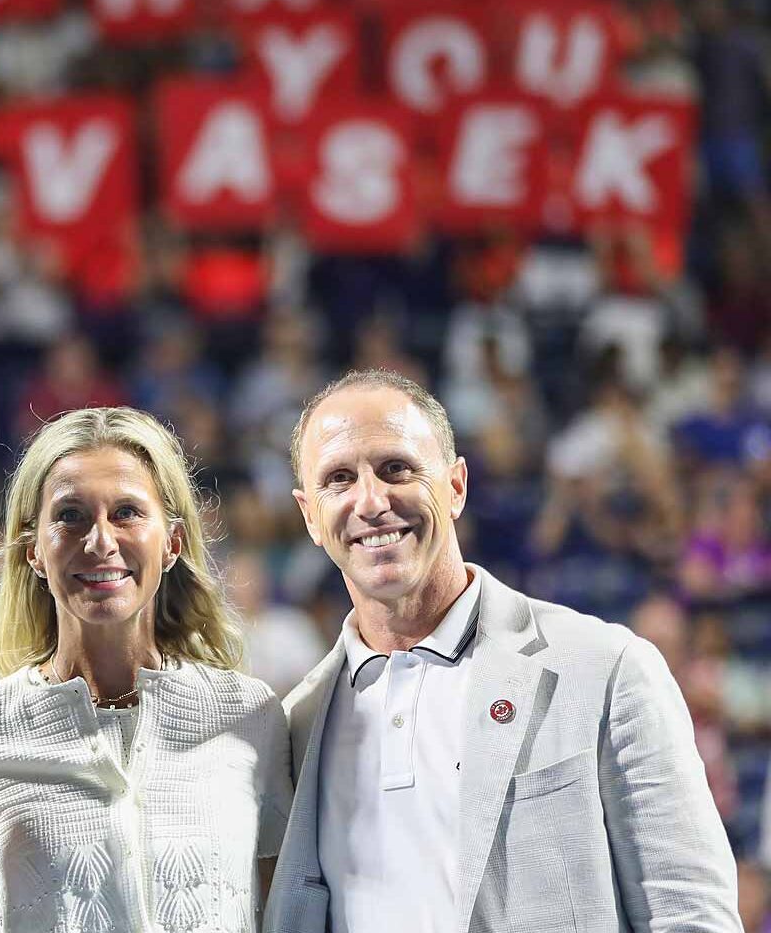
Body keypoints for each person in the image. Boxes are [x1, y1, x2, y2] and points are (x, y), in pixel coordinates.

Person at [265, 369, 740, 933]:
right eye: (339, 479)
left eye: (396, 468)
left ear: (456, 486)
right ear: (309, 516)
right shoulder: (297, 724)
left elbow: (691, 914)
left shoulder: (606, 668)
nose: (371, 501)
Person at [0, 406, 292, 933]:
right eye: (70, 515)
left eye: (126, 512)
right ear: (33, 548)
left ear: (171, 543)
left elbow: (288, 911)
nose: (101, 541)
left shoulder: (248, 714)